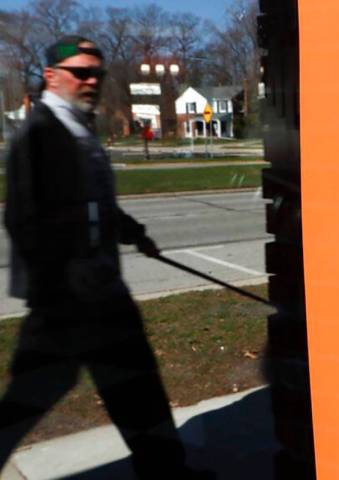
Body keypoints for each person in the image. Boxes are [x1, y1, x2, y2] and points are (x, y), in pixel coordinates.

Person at [1, 35, 213, 479]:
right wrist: (61, 283)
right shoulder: (38, 134)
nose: (92, 80)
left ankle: (167, 473)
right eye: (81, 72)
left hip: (102, 293)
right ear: (51, 76)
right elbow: (23, 220)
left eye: (97, 72)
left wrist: (135, 235)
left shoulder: (80, 127)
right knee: (30, 399)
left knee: (138, 389)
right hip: (64, 302)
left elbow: (96, 203)